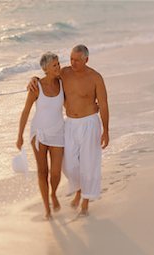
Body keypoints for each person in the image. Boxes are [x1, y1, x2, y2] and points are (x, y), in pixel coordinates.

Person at [28, 44, 109, 217]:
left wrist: (106, 131)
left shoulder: (96, 78)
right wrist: (33, 78)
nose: (72, 62)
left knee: (89, 164)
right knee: (69, 164)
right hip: (70, 124)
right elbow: (48, 77)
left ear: (86, 59)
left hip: (90, 124)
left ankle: (85, 200)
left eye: (77, 60)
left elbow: (103, 105)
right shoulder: (65, 73)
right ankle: (79, 189)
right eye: (71, 58)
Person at [16, 52, 65, 220]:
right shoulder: (36, 87)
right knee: (42, 171)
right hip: (38, 133)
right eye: (54, 65)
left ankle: (54, 194)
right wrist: (20, 135)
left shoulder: (62, 82)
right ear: (45, 69)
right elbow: (26, 111)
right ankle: (47, 208)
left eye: (58, 64)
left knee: (56, 173)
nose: (58, 67)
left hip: (58, 131)